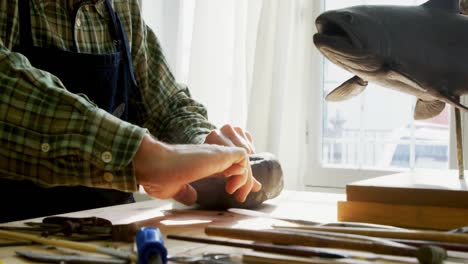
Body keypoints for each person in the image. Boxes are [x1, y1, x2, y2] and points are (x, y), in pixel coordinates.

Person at [0, 0, 261, 223]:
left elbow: (165, 104)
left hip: (110, 232)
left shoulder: (121, 6)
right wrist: (143, 154)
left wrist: (203, 145)